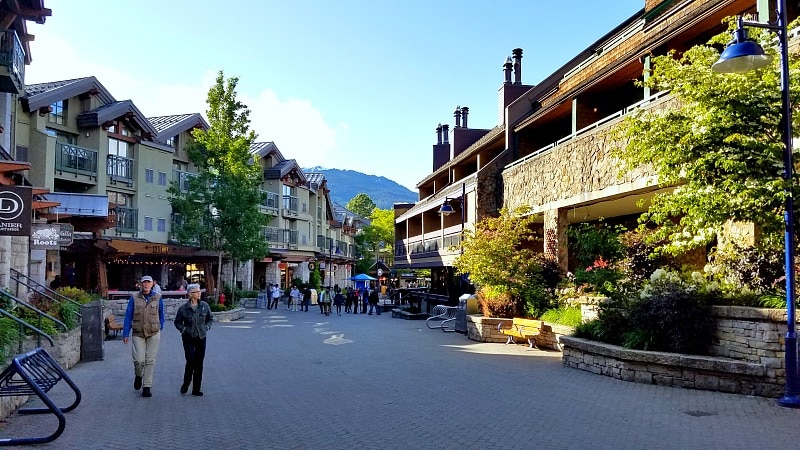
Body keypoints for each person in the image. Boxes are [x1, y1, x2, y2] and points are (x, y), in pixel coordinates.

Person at [122, 275, 165, 398]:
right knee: (139, 360)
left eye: (148, 282)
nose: (145, 285)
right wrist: (126, 333)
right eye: (143, 282)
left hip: (154, 333)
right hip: (138, 332)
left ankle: (147, 386)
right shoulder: (134, 298)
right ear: (140, 284)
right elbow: (128, 316)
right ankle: (138, 375)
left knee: (150, 360)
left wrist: (160, 326)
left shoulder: (157, 297)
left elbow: (161, 314)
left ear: (152, 284)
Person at [174, 283, 213, 396]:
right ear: (191, 294)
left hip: (201, 337)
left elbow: (210, 319)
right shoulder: (184, 309)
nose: (199, 293)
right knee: (191, 361)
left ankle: (196, 388)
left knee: (199, 363)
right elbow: (177, 322)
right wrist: (183, 329)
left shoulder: (204, 306)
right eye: (197, 292)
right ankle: (185, 384)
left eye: (199, 291)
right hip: (188, 338)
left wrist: (206, 327)